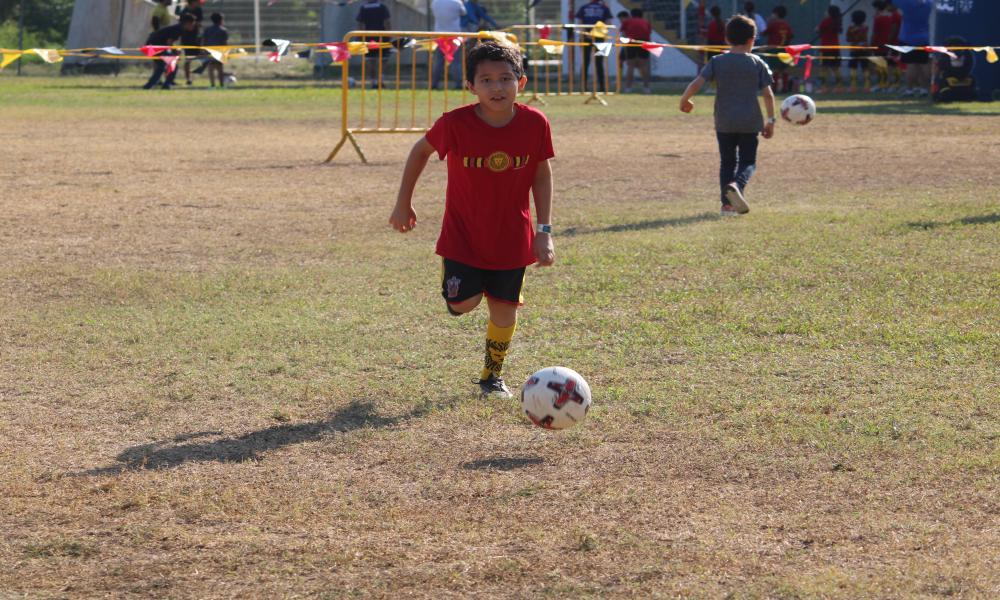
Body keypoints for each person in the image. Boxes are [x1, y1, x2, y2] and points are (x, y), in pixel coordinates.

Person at [389, 41, 555, 399]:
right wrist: (404, 202)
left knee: (505, 310)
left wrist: (544, 231)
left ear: (521, 83)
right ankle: (460, 288)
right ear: (471, 86)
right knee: (463, 304)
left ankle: (491, 377)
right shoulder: (455, 124)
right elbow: (419, 152)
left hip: (512, 236)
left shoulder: (534, 123)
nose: (497, 87)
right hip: (463, 235)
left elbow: (541, 175)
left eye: (506, 79)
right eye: (487, 80)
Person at [679, 14, 775, 217]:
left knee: (727, 162)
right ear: (752, 39)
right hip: (750, 121)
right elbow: (768, 94)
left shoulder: (717, 61)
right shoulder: (757, 62)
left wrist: (685, 99)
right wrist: (771, 120)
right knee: (748, 161)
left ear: (727, 39)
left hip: (724, 121)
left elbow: (698, 81)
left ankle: (727, 206)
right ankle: (737, 186)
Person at [142, 14, 198, 89]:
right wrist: (175, 51)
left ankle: (149, 85)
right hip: (154, 47)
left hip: (150, 46)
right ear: (187, 23)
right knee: (173, 64)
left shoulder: (178, 28)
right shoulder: (179, 29)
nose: (193, 26)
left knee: (161, 66)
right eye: (192, 24)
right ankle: (166, 84)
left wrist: (174, 51)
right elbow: (169, 42)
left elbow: (168, 42)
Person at [894, 0, 933, 97]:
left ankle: (910, 89)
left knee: (911, 65)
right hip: (923, 38)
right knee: (924, 64)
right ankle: (924, 89)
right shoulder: (928, 4)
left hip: (908, 38)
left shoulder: (907, 3)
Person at [575, 0, 613, 93]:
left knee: (585, 62)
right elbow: (608, 23)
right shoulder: (605, 8)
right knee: (599, 63)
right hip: (600, 37)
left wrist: (586, 33)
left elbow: (580, 23)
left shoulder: (584, 7)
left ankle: (584, 87)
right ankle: (602, 87)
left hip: (585, 36)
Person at [431, 0, 466, 90]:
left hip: (440, 36)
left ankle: (434, 84)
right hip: (454, 36)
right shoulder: (457, 2)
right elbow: (464, 13)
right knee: (456, 62)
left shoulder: (435, 2)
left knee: (438, 62)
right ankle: (458, 84)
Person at [357, 0, 391, 87]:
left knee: (371, 60)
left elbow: (361, 24)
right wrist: (389, 35)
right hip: (382, 37)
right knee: (384, 59)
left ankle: (373, 82)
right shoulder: (382, 7)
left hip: (368, 38)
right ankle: (381, 80)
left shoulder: (363, 8)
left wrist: (361, 37)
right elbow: (387, 22)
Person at [932, 37, 977, 102]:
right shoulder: (945, 56)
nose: (956, 49)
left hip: (965, 77)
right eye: (953, 46)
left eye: (959, 47)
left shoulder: (968, 55)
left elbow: (969, 66)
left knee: (971, 81)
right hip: (949, 78)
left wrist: (962, 75)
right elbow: (941, 66)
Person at [620, 8, 652, 94]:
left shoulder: (627, 22)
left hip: (631, 43)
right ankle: (646, 88)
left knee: (630, 66)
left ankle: (628, 88)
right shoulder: (646, 22)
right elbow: (648, 33)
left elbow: (623, 34)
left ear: (631, 15)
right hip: (644, 43)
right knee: (644, 66)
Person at [762, 5, 793, 92]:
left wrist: (768, 22)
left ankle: (774, 88)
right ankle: (785, 88)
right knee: (784, 69)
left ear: (775, 14)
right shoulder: (786, 24)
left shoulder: (773, 24)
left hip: (774, 50)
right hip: (785, 49)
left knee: (774, 69)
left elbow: (764, 33)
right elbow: (791, 36)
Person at [870, 1, 896, 91]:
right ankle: (890, 84)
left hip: (879, 44)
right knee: (889, 65)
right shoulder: (891, 16)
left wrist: (871, 44)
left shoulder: (878, 18)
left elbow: (875, 33)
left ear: (877, 8)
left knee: (880, 65)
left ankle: (881, 84)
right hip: (889, 44)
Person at [176, 0, 203, 85]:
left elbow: (199, 23)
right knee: (188, 59)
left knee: (203, 58)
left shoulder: (198, 10)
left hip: (196, 38)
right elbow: (181, 24)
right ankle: (188, 79)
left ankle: (193, 74)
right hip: (186, 38)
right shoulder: (184, 11)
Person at [816, 5, 843, 93]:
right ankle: (839, 86)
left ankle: (823, 87)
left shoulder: (825, 21)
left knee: (824, 68)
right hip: (835, 48)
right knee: (836, 68)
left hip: (825, 48)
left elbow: (818, 30)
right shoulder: (837, 22)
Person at [200, 12, 228, 88]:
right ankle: (221, 85)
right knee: (220, 69)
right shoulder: (223, 30)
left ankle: (212, 85)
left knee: (211, 68)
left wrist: (204, 50)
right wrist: (225, 53)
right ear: (221, 20)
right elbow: (224, 43)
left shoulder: (207, 30)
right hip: (219, 52)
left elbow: (204, 40)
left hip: (209, 51)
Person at [846, 11, 870, 92]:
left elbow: (848, 39)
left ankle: (853, 86)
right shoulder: (865, 27)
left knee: (853, 68)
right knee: (865, 68)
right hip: (864, 49)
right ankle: (867, 86)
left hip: (854, 49)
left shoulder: (850, 28)